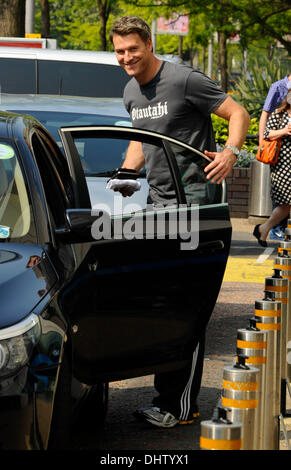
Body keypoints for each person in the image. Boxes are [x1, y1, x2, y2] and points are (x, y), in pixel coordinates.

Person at [109, 16, 250, 428]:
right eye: (119, 51)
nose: (126, 58)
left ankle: (179, 406)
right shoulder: (131, 91)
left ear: (149, 44)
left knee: (186, 305)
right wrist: (126, 173)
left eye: (133, 49)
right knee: (161, 302)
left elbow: (237, 112)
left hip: (194, 210)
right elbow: (141, 138)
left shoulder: (184, 79)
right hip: (158, 207)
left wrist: (230, 152)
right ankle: (168, 398)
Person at [253, 89, 291, 247]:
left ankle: (264, 228)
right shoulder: (279, 114)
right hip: (283, 164)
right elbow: (267, 134)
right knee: (285, 202)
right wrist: (284, 131)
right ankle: (265, 228)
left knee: (287, 204)